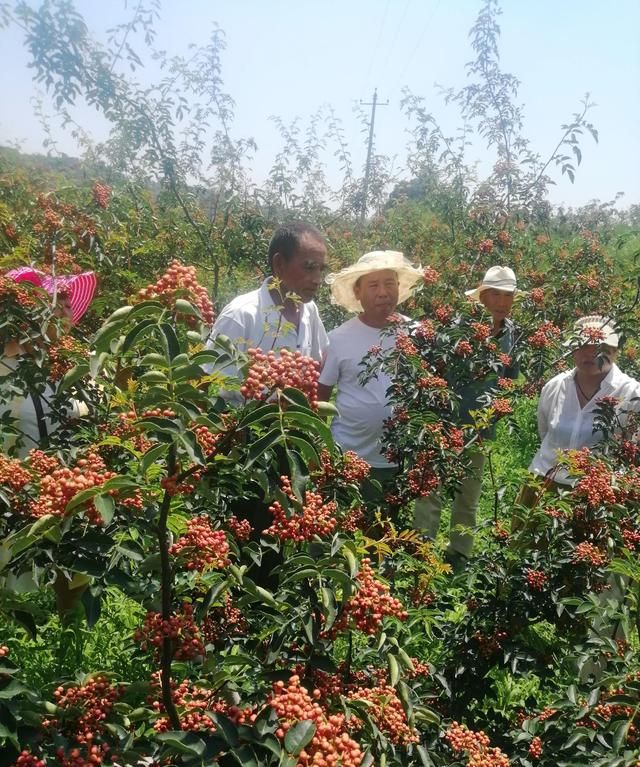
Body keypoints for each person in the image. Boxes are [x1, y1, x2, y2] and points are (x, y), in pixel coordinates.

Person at [414, 265, 525, 564]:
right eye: (496, 294)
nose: (502, 302)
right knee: (431, 490)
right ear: (483, 295)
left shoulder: (514, 335)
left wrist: (496, 408)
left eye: (508, 296)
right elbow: (433, 370)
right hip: (442, 423)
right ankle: (420, 553)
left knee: (468, 495)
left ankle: (459, 554)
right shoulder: (458, 328)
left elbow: (508, 379)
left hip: (480, 429)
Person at [317, 250, 423, 484]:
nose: (383, 292)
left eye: (389, 284)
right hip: (348, 457)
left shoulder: (418, 334)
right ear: (358, 291)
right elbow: (321, 397)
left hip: (401, 459)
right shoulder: (338, 339)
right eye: (373, 285)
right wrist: (320, 451)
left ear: (398, 286)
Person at [523, 314, 640, 499]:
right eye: (583, 345)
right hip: (541, 483)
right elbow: (545, 434)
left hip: (596, 492)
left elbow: (631, 451)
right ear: (572, 349)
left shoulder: (631, 394)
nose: (590, 353)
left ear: (615, 351)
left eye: (600, 347)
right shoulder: (555, 386)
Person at [207, 221, 329, 389]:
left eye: (321, 269)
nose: (317, 279)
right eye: (309, 267)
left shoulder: (309, 310)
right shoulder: (240, 315)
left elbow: (317, 363)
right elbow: (207, 385)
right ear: (279, 264)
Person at [0, 266, 97, 457]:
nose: (64, 312)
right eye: (56, 303)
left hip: (79, 479)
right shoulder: (5, 365)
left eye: (68, 306)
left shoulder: (83, 364)